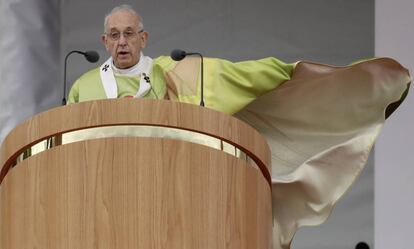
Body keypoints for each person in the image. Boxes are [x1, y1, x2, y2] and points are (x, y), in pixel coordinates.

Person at [67, 4, 410, 249]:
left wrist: (292, 74)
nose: (122, 41)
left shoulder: (173, 74)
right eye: (114, 35)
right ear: (104, 41)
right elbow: (64, 146)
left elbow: (240, 78)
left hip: (168, 195)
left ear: (144, 38)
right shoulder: (83, 85)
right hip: (103, 198)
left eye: (129, 33)